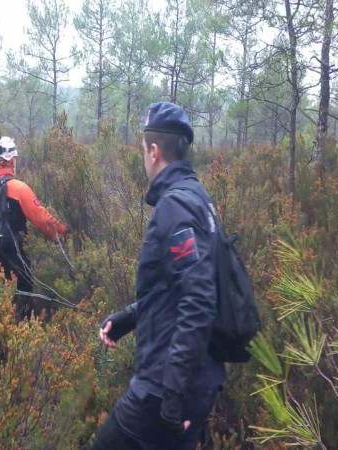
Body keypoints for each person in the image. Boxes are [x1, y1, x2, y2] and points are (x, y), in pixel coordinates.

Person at [92, 103, 225, 450]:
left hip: (163, 387)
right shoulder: (198, 198)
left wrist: (171, 398)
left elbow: (198, 302)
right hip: (191, 379)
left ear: (153, 151)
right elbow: (182, 286)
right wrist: (131, 316)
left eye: (142, 151)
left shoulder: (176, 207)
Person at [0, 136, 67, 321]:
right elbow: (43, 221)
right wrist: (65, 234)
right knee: (21, 312)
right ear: (11, 159)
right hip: (14, 260)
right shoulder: (19, 188)